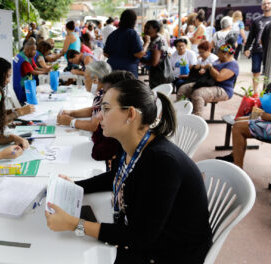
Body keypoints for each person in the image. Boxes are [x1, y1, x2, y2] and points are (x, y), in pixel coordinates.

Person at [45, 79, 212, 263]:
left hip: (169, 253)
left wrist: (76, 225)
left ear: (130, 114)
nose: (99, 116)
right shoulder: (131, 142)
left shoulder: (162, 162)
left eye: (106, 109)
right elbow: (115, 176)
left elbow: (139, 237)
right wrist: (75, 186)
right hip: (145, 237)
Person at [177, 44, 239, 117]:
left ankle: (197, 118)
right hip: (209, 84)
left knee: (198, 93)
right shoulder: (220, 60)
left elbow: (219, 77)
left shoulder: (233, 65)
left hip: (223, 89)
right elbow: (210, 69)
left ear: (225, 53)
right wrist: (204, 69)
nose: (218, 55)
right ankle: (181, 112)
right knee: (183, 89)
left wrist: (210, 67)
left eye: (219, 53)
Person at [56, 61, 112, 131]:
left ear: (95, 80)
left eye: (85, 78)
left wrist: (71, 121)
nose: (84, 81)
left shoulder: (101, 95)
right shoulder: (107, 89)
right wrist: (71, 113)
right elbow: (94, 110)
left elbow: (94, 126)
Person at [103, 9, 149, 78]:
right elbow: (139, 54)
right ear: (133, 21)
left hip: (112, 69)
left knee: (115, 88)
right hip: (127, 72)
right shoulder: (132, 33)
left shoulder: (113, 34)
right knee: (128, 88)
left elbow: (105, 54)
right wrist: (147, 43)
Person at [244, 0, 271, 94]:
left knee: (268, 73)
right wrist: (247, 48)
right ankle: (255, 94)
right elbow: (251, 36)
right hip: (257, 50)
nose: (266, 5)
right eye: (264, 4)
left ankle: (267, 92)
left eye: (268, 3)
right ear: (261, 6)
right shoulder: (256, 20)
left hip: (269, 51)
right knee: (256, 72)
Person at [12, 40, 49, 104]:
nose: (35, 52)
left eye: (35, 49)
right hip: (22, 86)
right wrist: (45, 71)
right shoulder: (24, 60)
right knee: (25, 103)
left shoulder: (27, 55)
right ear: (27, 50)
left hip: (19, 83)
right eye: (33, 50)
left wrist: (46, 70)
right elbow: (33, 72)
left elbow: (35, 68)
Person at [141, 20, 171, 88]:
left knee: (157, 94)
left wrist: (140, 60)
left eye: (148, 28)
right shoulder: (152, 39)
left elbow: (154, 62)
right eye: (145, 27)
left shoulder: (157, 41)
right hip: (156, 73)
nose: (145, 30)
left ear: (155, 29)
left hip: (160, 74)